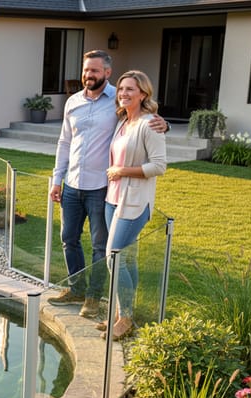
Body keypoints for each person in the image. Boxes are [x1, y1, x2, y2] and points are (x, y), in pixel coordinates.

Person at [48, 50, 168, 318]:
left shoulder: (118, 99)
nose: (88, 75)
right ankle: (76, 288)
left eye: (95, 70)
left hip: (102, 187)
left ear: (107, 73)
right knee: (69, 239)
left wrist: (164, 123)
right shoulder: (72, 102)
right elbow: (64, 142)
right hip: (72, 184)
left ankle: (93, 296)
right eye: (86, 70)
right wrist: (57, 179)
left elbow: (142, 115)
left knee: (101, 246)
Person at [100, 70, 167, 340]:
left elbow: (159, 165)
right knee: (126, 259)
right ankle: (121, 315)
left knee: (113, 257)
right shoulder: (123, 122)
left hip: (135, 203)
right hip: (112, 200)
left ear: (143, 94)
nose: (124, 93)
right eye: (121, 89)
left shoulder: (149, 124)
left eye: (130, 89)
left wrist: (122, 170)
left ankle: (125, 317)